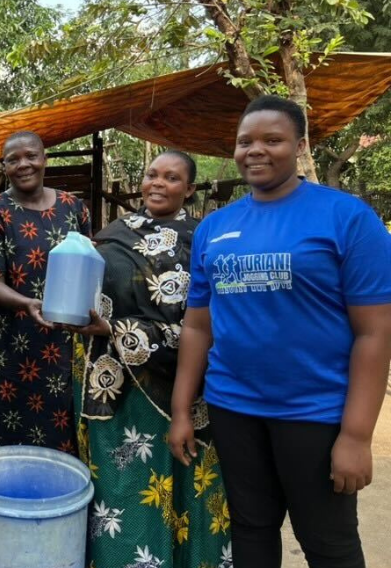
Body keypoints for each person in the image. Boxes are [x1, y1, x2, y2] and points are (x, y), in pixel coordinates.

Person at [169, 95, 391, 568]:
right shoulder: (215, 227)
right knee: (250, 530)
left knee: (328, 543)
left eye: (273, 140)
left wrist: (355, 435)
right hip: (234, 408)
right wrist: (181, 410)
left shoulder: (347, 219)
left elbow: (375, 333)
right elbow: (197, 327)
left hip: (315, 413)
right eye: (245, 141)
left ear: (300, 145)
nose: (256, 150)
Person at [73, 151, 231, 568]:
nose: (158, 184)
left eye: (172, 178)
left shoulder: (203, 241)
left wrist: (121, 330)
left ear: (190, 190)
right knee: (124, 490)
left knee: (187, 486)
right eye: (152, 175)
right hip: (118, 391)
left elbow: (208, 324)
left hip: (187, 386)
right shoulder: (110, 237)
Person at [0, 130, 91, 453]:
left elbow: (89, 263)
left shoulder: (74, 208)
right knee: (7, 441)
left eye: (31, 156)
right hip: (9, 344)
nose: (23, 164)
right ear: (4, 167)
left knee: (61, 438)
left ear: (44, 159)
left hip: (64, 341)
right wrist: (26, 304)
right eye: (13, 159)